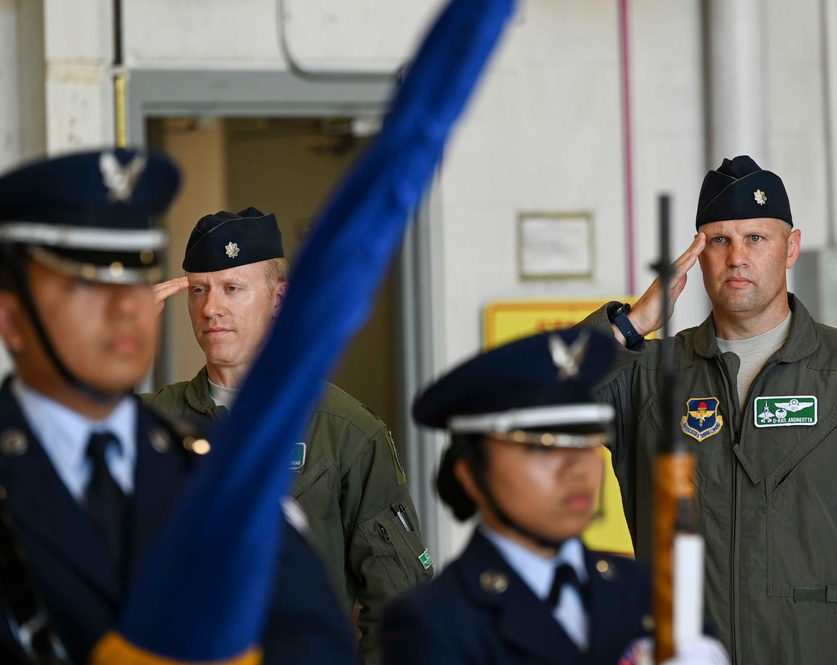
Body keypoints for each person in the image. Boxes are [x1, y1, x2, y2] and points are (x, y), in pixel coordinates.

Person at [581, 155, 837, 663]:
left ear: (790, 247)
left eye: (756, 238)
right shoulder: (646, 378)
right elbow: (523, 410)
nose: (737, 257)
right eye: (719, 240)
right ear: (696, 255)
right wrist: (632, 323)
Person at [0, 148, 354, 663]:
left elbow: (313, 641)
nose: (126, 306)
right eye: (87, 281)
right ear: (11, 321)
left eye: (137, 277)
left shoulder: (210, 467)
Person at [144, 206, 433, 664]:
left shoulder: (343, 429)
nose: (210, 307)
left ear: (279, 300)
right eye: (198, 290)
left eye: (232, 289)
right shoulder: (150, 423)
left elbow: (397, 599)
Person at [381, 328, 730, 665]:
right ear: (471, 475)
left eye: (586, 443)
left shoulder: (648, 591)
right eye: (542, 450)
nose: (577, 469)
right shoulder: (433, 621)